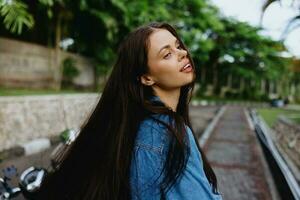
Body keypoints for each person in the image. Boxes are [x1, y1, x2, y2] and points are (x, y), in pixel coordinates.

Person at [36, 22, 222, 200]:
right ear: (146, 78)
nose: (182, 54)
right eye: (167, 54)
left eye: (178, 46)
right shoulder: (169, 133)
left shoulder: (134, 124)